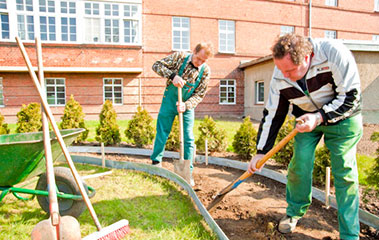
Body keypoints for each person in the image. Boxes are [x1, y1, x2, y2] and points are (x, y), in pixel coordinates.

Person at [248, 33, 362, 240]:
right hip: (305, 120)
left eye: (290, 70)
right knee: (299, 165)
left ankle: (350, 234)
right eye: (281, 70)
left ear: (307, 58)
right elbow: (274, 113)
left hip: (343, 117)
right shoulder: (281, 72)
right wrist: (260, 152)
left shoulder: (333, 53)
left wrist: (319, 117)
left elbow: (350, 97)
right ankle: (294, 213)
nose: (285, 75)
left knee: (344, 171)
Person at [151, 42, 213, 185]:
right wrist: (173, 76)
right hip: (169, 101)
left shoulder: (205, 71)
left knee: (189, 138)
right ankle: (155, 162)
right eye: (198, 59)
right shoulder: (179, 57)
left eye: (203, 61)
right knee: (162, 131)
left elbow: (199, 94)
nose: (199, 63)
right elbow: (156, 65)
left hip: (187, 106)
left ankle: (187, 172)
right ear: (194, 51)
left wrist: (187, 105)